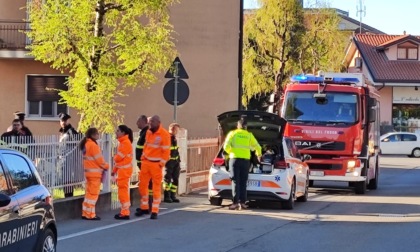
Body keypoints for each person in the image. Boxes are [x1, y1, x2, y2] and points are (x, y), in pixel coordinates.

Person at [135, 115, 170, 220]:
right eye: (149, 122)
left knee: (155, 188)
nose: (150, 124)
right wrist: (143, 158)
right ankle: (144, 207)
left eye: (152, 122)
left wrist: (161, 164)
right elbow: (146, 146)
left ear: (158, 122)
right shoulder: (149, 132)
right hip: (146, 163)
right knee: (142, 186)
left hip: (156, 164)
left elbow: (166, 151)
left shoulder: (164, 134)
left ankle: (154, 210)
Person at [223, 117, 261, 210]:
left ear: (238, 126)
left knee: (235, 181)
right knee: (243, 181)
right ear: (246, 127)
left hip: (235, 160)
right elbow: (258, 147)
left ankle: (235, 203)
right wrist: (259, 155)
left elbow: (226, 146)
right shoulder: (249, 135)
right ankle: (243, 203)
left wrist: (230, 152)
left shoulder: (233, 134)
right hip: (245, 161)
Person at [79, 128, 109, 221]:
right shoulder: (93, 145)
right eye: (97, 134)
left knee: (88, 194)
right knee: (93, 195)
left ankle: (85, 212)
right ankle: (90, 214)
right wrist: (106, 166)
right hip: (95, 174)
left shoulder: (86, 144)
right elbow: (99, 159)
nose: (98, 135)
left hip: (88, 173)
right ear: (92, 135)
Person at [112, 125, 134, 220]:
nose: (116, 132)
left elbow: (118, 158)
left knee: (123, 192)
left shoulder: (125, 143)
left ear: (123, 133)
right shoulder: (123, 143)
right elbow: (119, 161)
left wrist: (114, 157)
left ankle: (125, 212)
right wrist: (114, 171)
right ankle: (124, 211)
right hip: (123, 171)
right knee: (122, 192)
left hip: (124, 172)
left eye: (118, 131)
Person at [58, 112, 80, 198]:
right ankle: (66, 196)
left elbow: (77, 143)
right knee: (64, 179)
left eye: (65, 120)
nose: (63, 122)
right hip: (62, 159)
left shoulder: (71, 131)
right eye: (62, 120)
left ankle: (69, 197)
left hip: (69, 158)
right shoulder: (62, 132)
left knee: (68, 179)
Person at [135, 115, 153, 211]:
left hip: (145, 164)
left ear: (144, 122)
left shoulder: (146, 133)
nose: (137, 123)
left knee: (146, 185)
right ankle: (147, 205)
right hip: (143, 164)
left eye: (138, 121)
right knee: (146, 185)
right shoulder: (143, 133)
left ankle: (147, 205)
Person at [163, 123, 181, 203]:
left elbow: (175, 150)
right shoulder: (167, 138)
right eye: (176, 130)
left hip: (175, 162)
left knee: (175, 179)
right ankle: (167, 196)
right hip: (169, 162)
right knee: (168, 180)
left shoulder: (174, 138)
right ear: (172, 129)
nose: (177, 131)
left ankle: (173, 195)